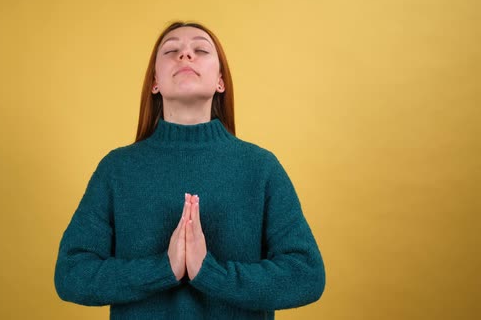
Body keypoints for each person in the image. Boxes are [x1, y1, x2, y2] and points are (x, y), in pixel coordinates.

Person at [54, 21, 325, 319]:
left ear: (220, 81)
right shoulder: (116, 170)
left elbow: (307, 274)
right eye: (171, 50)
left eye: (200, 49)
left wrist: (209, 273)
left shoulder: (261, 168)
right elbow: (71, 273)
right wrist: (163, 269)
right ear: (155, 82)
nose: (185, 55)